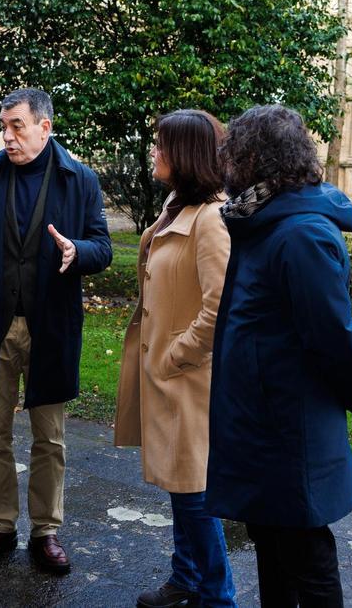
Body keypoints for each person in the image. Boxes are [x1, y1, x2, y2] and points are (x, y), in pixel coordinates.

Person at [206, 105, 352, 607]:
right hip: (263, 419)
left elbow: (333, 333)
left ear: (256, 159)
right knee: (272, 540)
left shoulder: (298, 233)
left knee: (305, 554)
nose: (226, 165)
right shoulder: (263, 220)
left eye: (234, 154)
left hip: (288, 425)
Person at [0, 88, 112, 574]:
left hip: (51, 328)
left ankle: (46, 530)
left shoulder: (78, 179)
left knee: (50, 439)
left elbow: (103, 246)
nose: (7, 136)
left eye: (16, 126)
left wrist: (78, 251)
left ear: (45, 127)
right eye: (4, 126)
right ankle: (0, 525)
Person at [114, 110, 237, 608]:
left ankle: (218, 598)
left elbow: (219, 308)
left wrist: (174, 354)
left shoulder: (212, 219)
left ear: (186, 154)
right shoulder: (177, 205)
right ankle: (185, 578)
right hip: (167, 376)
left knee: (194, 493)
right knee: (179, 487)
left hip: (188, 380)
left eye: (162, 145)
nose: (154, 151)